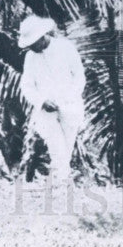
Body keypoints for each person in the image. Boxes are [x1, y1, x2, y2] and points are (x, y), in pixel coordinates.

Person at [17, 15, 86, 184]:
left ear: (42, 37)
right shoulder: (30, 57)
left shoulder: (66, 48)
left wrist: (69, 98)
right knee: (56, 149)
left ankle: (60, 183)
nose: (31, 48)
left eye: (33, 43)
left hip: (69, 107)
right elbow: (27, 86)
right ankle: (61, 183)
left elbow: (79, 77)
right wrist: (41, 101)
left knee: (67, 148)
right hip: (46, 111)